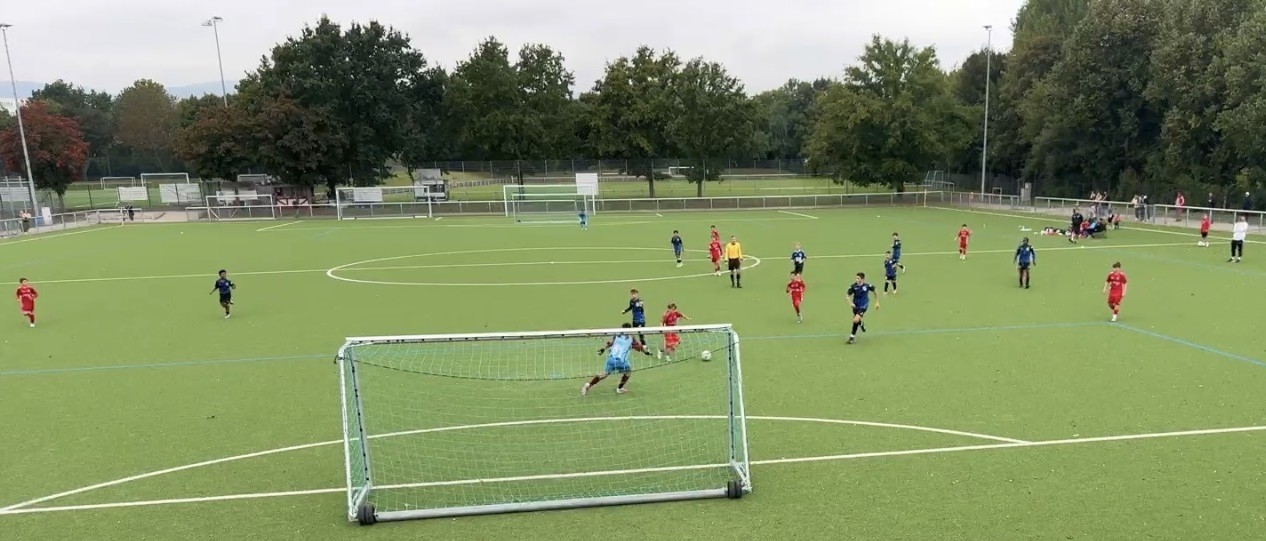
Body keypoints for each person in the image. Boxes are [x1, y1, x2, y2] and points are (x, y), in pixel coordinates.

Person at [583, 323, 652, 396]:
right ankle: (619, 388)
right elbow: (639, 348)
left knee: (604, 374)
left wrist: (604, 348)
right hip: (620, 362)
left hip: (611, 360)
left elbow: (611, 343)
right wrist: (646, 351)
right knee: (628, 371)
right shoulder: (631, 338)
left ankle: (589, 385)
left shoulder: (617, 334)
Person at [846, 272, 879, 344]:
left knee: (855, 320)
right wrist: (851, 303)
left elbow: (875, 290)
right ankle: (861, 323)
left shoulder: (867, 286)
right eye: (856, 278)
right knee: (857, 320)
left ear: (863, 279)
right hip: (855, 305)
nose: (857, 280)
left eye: (858, 278)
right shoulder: (853, 286)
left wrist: (877, 302)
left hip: (863, 305)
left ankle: (852, 337)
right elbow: (847, 295)